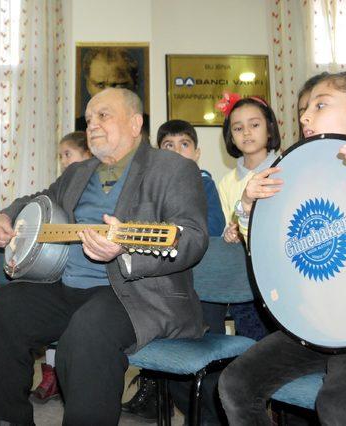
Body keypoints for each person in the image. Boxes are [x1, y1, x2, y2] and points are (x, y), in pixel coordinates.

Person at [0, 88, 209, 425]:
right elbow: (37, 198)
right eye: (88, 119)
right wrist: (6, 216)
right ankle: (6, 418)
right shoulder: (78, 172)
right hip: (67, 288)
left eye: (103, 115)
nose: (92, 125)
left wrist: (125, 250)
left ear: (135, 123)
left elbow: (194, 237)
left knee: (87, 333)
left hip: (134, 295)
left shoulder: (172, 168)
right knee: (5, 306)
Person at [219, 71, 346, 426]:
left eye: (320, 105)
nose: (305, 116)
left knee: (340, 407)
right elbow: (272, 251)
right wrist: (248, 209)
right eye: (304, 109)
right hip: (314, 324)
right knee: (235, 384)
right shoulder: (299, 171)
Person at [119, 119, 227, 423]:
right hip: (174, 281)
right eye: (169, 145)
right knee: (172, 359)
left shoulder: (203, 181)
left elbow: (212, 229)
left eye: (184, 145)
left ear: (197, 152)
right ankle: (163, 397)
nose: (177, 151)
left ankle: (213, 414)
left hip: (207, 284)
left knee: (207, 358)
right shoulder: (156, 183)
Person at [30, 131, 92, 405]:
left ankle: (64, 375)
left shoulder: (90, 190)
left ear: (87, 155)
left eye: (68, 154)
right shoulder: (63, 187)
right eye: (61, 156)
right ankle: (50, 372)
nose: (64, 160)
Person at [216, 95, 281, 342]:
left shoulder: (285, 166)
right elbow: (225, 227)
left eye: (254, 125)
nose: (247, 133)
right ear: (230, 136)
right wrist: (229, 233)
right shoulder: (226, 182)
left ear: (269, 128)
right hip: (246, 282)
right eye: (238, 128)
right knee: (253, 347)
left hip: (284, 273)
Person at [76, 47, 150, 137]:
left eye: (117, 85)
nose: (108, 93)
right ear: (88, 85)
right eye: (100, 85)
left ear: (134, 83)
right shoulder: (77, 129)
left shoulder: (149, 125)